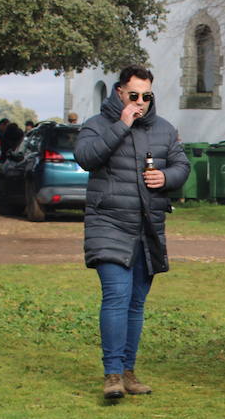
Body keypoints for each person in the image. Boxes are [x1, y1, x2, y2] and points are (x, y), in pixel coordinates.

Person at [76, 65, 189, 400]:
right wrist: (122, 125)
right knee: (116, 296)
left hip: (147, 229)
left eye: (147, 96)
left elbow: (183, 166)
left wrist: (166, 178)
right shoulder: (97, 126)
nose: (141, 102)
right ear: (120, 92)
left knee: (136, 303)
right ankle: (112, 375)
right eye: (134, 95)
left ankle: (128, 370)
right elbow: (86, 158)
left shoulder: (164, 130)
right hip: (108, 224)